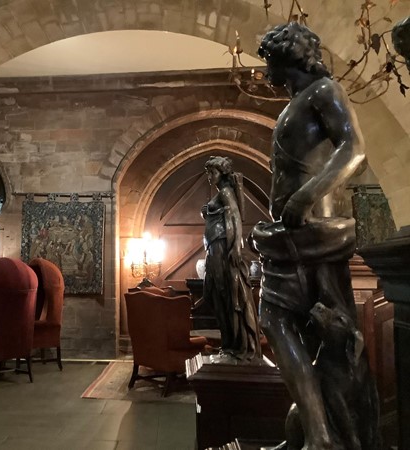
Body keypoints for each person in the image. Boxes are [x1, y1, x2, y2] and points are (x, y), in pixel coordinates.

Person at [250, 22, 369, 450]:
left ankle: (324, 435)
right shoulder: (299, 100)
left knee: (284, 322)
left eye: (269, 63)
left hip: (312, 231)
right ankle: (318, 433)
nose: (266, 74)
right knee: (284, 322)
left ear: (286, 59)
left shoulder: (323, 91)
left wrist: (304, 198)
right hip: (291, 236)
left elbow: (353, 148)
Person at [202, 156, 261, 361]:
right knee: (218, 295)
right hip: (214, 248)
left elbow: (235, 216)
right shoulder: (220, 195)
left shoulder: (226, 193)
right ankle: (228, 343)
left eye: (213, 173)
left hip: (222, 247)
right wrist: (207, 213)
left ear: (222, 174)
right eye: (208, 173)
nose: (210, 177)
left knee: (228, 295)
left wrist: (236, 246)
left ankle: (236, 344)